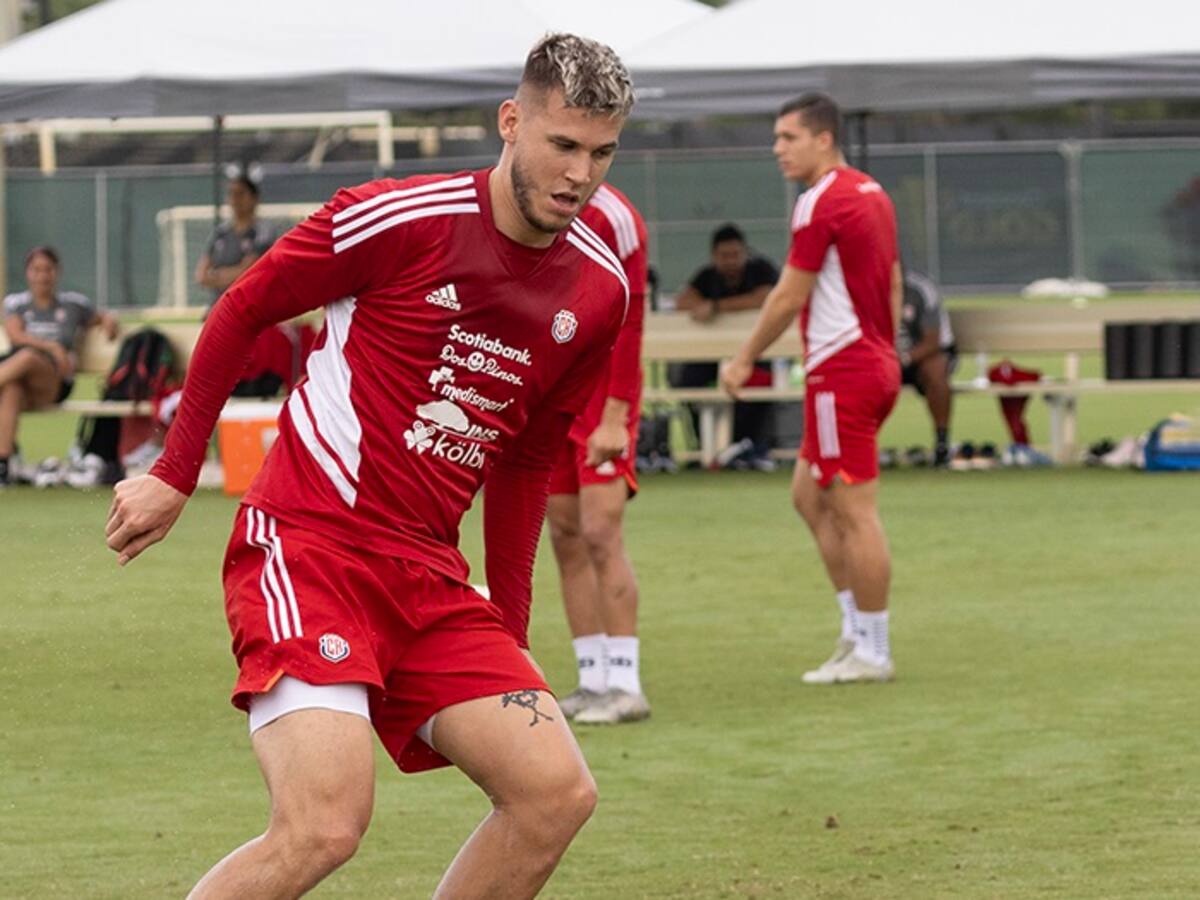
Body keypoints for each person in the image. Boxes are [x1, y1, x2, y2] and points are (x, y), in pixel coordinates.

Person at [105, 33, 635, 899]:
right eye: (563, 144)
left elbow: (527, 455)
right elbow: (244, 308)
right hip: (309, 546)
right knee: (323, 826)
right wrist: (173, 469)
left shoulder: (598, 288)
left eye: (602, 152)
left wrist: (508, 621)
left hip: (429, 579)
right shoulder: (399, 217)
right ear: (511, 123)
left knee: (555, 795)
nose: (580, 174)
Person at [720, 93, 902, 685]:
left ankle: (872, 647)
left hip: (843, 372)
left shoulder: (819, 201)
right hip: (866, 363)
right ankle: (856, 632)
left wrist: (745, 357)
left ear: (823, 139)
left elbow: (789, 294)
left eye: (787, 138)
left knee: (854, 511)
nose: (777, 149)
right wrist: (885, 347)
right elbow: (893, 279)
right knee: (808, 496)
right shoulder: (871, 192)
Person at [547, 183, 650, 726]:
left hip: (603, 400)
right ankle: (593, 678)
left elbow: (631, 321)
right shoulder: (528, 200)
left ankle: (627, 684)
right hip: (553, 398)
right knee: (564, 535)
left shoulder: (615, 215)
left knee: (600, 532)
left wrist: (617, 414)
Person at [1, 246, 117, 485]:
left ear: (57, 272)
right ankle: (3, 465)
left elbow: (102, 317)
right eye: (36, 270)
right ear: (27, 273)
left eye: (48, 269)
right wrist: (52, 347)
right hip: (20, 381)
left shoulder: (74, 305)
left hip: (54, 382)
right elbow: (15, 336)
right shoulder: (16, 303)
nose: (42, 275)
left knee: (29, 358)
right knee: (12, 389)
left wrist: (109, 320)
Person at [672, 224, 780, 468]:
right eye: (724, 256)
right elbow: (683, 301)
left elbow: (766, 297)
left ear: (745, 253)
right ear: (714, 256)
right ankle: (706, 446)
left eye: (735, 255)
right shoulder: (707, 276)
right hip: (712, 356)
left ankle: (748, 445)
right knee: (688, 380)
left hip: (756, 353)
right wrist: (704, 304)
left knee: (760, 385)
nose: (730, 261)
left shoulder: (760, 270)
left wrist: (717, 307)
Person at [196, 171, 312, 397]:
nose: (234, 200)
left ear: (253, 198)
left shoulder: (263, 231)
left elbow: (250, 271)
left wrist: (218, 275)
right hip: (218, 310)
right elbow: (201, 275)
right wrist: (230, 275)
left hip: (250, 309)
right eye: (231, 194)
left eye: (240, 194)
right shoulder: (220, 233)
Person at [897, 268, 955, 466]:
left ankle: (941, 444)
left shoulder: (921, 290)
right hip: (884, 358)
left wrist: (902, 360)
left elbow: (933, 342)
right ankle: (858, 449)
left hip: (923, 357)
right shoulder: (862, 287)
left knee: (936, 370)